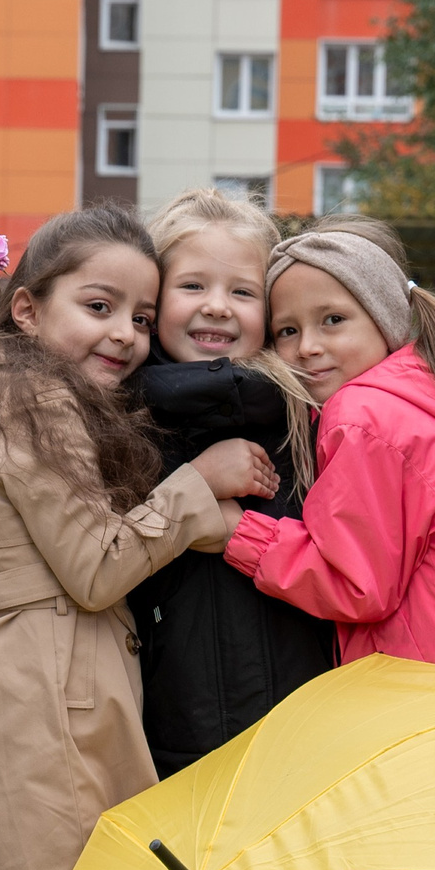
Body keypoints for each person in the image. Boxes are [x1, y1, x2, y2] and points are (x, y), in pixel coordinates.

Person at [0, 205, 277, 870]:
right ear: (26, 308)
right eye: (99, 306)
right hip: (42, 686)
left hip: (40, 674)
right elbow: (96, 565)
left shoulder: (26, 387)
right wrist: (202, 493)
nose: (123, 332)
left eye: (141, 316)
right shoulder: (32, 397)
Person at [218, 216, 435, 681]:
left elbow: (357, 585)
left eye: (333, 320)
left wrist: (236, 532)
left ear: (385, 318)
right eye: (287, 331)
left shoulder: (361, 414)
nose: (308, 347)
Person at [126, 188, 333, 777]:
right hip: (163, 732)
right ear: (154, 298)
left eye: (241, 292)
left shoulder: (306, 415)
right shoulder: (116, 419)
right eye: (192, 286)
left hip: (302, 729)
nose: (217, 306)